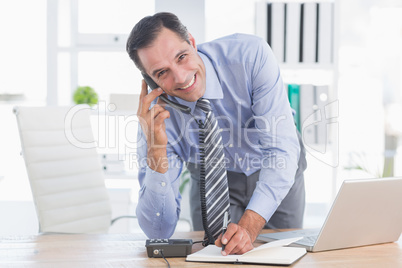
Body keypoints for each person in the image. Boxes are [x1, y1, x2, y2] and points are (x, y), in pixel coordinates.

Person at [126, 12, 306, 255]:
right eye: (162, 72)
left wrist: (249, 227)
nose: (181, 77)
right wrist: (156, 153)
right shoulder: (156, 119)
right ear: (150, 80)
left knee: (282, 253)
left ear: (191, 42)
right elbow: (158, 231)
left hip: (275, 166)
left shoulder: (249, 56)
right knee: (213, 257)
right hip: (210, 176)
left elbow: (280, 149)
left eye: (181, 57)